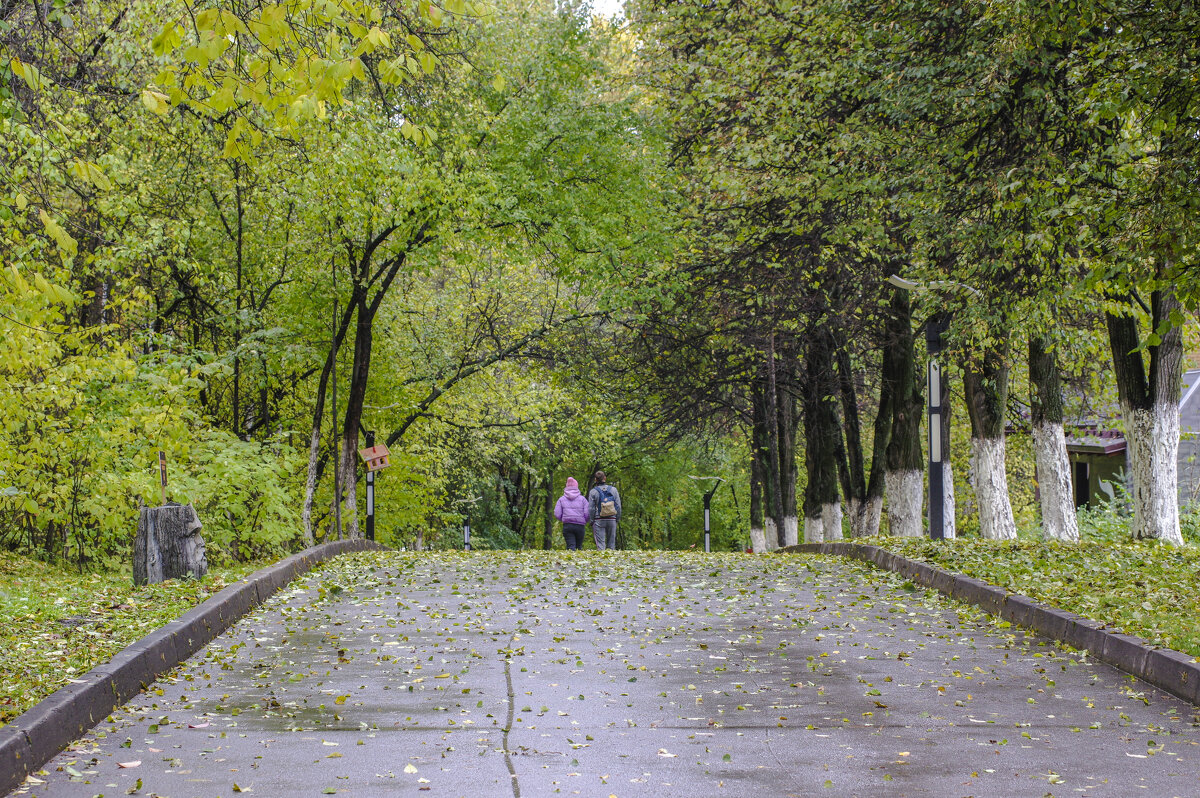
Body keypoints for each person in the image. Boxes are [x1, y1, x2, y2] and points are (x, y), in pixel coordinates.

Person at [588, 470, 621, 550]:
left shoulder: (593, 491)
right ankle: (611, 560)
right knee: (611, 544)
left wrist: (592, 520)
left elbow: (591, 508)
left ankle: (602, 560)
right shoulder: (613, 490)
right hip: (612, 518)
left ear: (595, 480)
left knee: (600, 545)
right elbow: (618, 506)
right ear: (605, 478)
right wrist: (617, 518)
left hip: (599, 519)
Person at [553, 477, 590, 550]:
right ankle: (579, 561)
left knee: (570, 546)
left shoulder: (561, 499)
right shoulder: (582, 499)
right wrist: (585, 520)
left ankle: (569, 560)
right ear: (576, 486)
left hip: (568, 525)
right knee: (579, 547)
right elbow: (587, 513)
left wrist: (564, 519)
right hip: (580, 526)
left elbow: (557, 513)